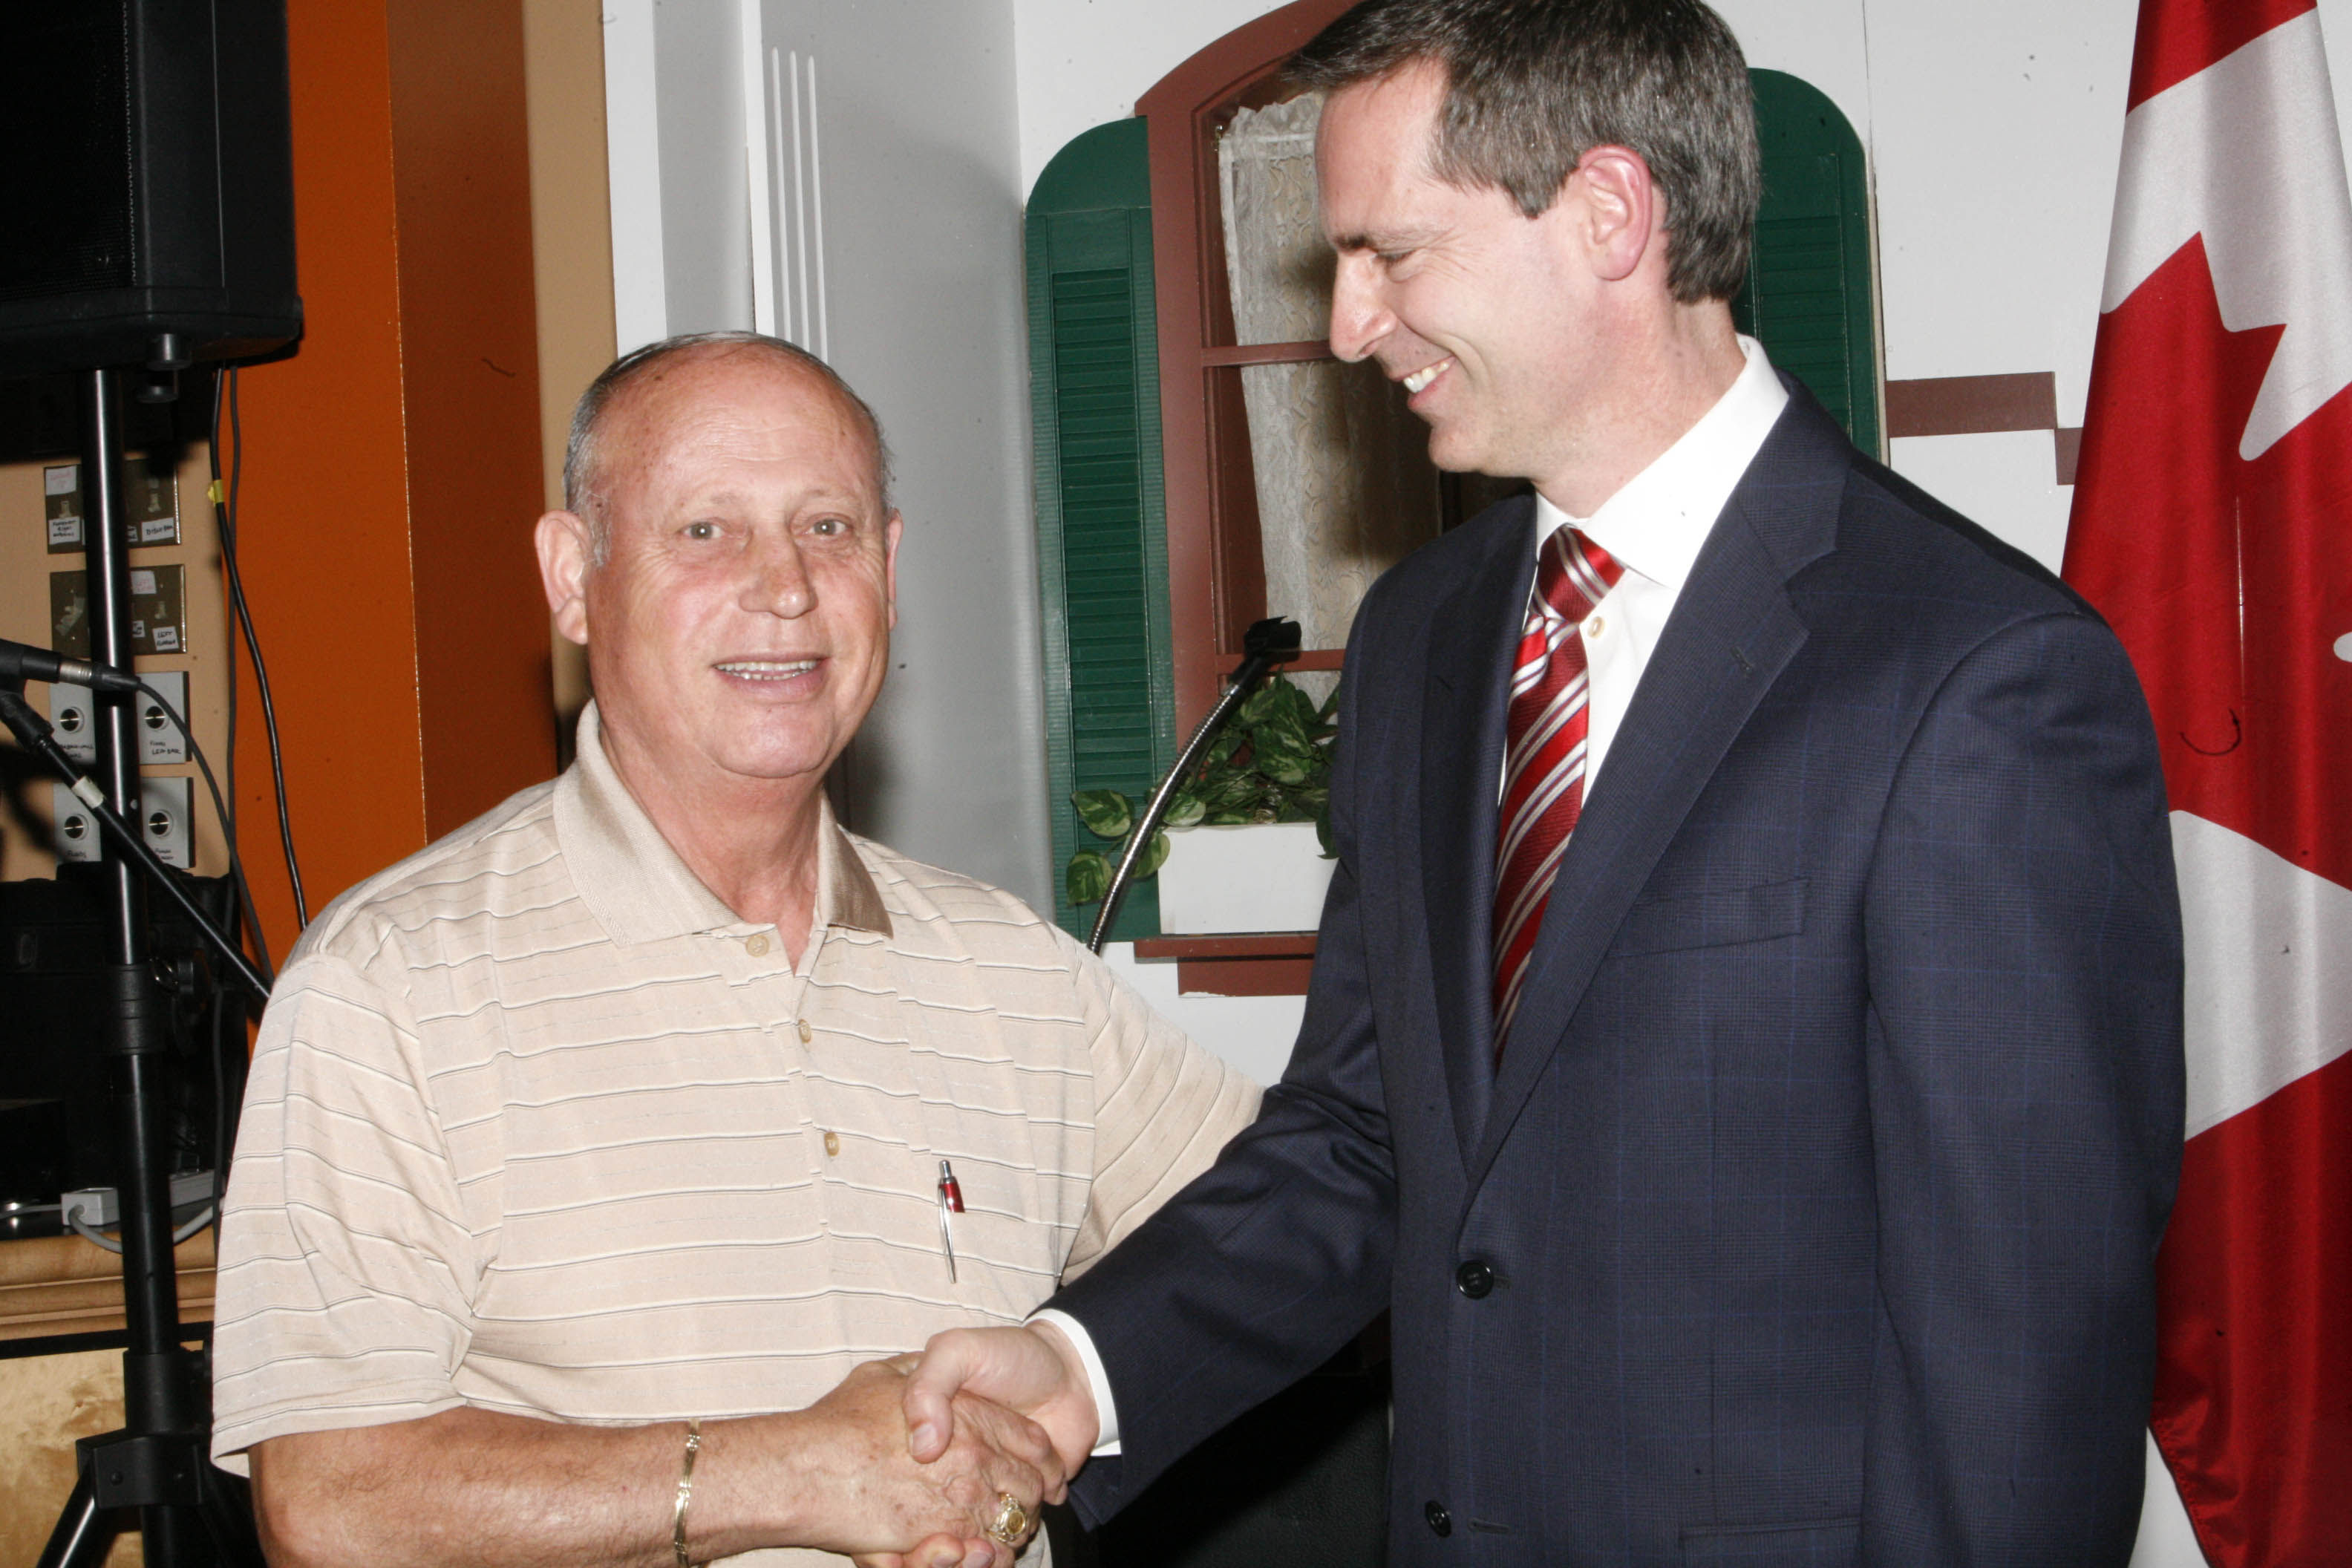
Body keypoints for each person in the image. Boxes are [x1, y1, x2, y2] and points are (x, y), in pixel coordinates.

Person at [898, 2, 2186, 1562]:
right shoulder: (1421, 637)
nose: (1350, 326)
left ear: (1608, 213)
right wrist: (1083, 1370)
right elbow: (1366, 1135)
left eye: (1391, 253)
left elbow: (2020, 1370)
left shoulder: (1978, 680)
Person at [206, 332, 1261, 1568]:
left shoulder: (1012, 972)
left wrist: (1074, 1373)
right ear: (572, 576)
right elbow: (329, 1502)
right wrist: (795, 1473)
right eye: (705, 530)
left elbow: (1287, 1227)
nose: (786, 587)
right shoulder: (388, 985)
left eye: (828, 528)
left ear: (890, 567)